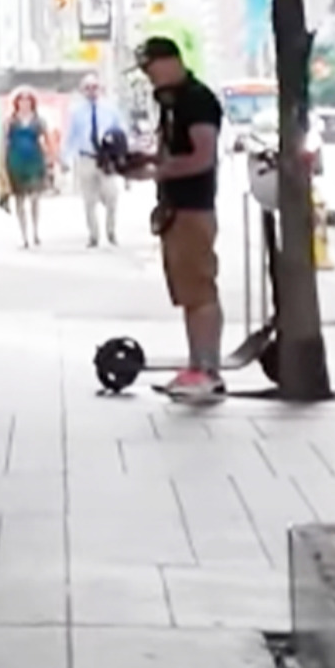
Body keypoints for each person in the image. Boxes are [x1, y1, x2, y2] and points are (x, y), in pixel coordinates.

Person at [130, 36, 225, 403]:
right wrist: (148, 161)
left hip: (193, 208)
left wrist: (159, 173)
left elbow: (202, 157)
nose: (149, 77)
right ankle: (197, 365)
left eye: (150, 67)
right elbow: (175, 151)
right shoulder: (171, 104)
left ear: (169, 62)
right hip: (176, 208)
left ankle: (207, 369)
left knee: (199, 290)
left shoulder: (197, 102)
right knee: (188, 292)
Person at [63, 74, 128, 248]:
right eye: (88, 88)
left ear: (100, 89)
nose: (92, 91)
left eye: (95, 87)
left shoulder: (110, 109)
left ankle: (111, 231)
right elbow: (71, 136)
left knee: (112, 195)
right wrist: (65, 158)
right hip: (86, 158)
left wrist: (122, 153)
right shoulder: (77, 112)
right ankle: (93, 235)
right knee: (89, 200)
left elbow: (121, 131)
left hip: (105, 158)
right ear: (83, 90)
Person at [0, 87, 53, 249]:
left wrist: (50, 159)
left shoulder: (39, 121)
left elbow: (48, 139)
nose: (24, 104)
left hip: (35, 160)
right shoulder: (10, 122)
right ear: (17, 103)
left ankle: (35, 231)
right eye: (21, 101)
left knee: (35, 198)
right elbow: (3, 142)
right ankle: (24, 235)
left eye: (27, 101)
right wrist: (2, 164)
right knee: (20, 200)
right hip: (15, 161)